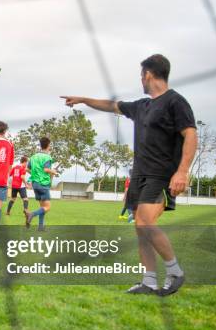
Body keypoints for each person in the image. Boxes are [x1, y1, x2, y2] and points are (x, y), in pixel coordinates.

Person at [61, 54, 197, 296]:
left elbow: (190, 134)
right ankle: (149, 281)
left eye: (141, 75)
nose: (141, 80)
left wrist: (182, 171)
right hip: (139, 175)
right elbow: (111, 105)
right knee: (140, 227)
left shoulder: (176, 102)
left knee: (145, 222)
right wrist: (83, 99)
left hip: (161, 175)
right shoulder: (141, 106)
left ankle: (175, 271)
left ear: (149, 74)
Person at [24, 137, 58, 231]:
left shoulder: (33, 157)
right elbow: (46, 170)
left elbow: (27, 169)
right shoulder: (47, 157)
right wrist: (53, 172)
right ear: (48, 145)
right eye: (50, 145)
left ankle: (40, 227)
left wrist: (35, 175)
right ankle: (32, 214)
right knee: (47, 207)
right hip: (43, 184)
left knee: (42, 207)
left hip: (35, 184)